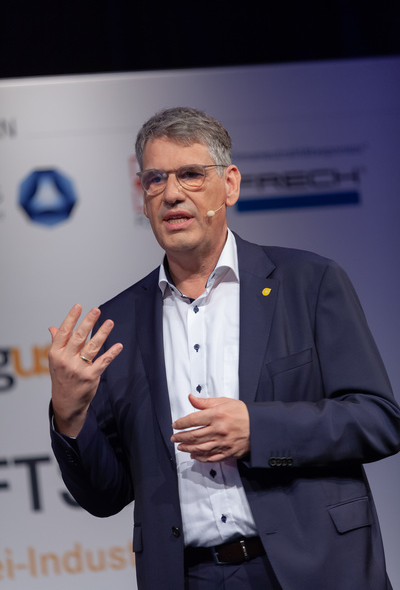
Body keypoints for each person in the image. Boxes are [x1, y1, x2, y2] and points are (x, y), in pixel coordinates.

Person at [49, 107, 400, 590]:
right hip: (190, 577)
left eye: (191, 174)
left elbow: (378, 420)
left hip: (315, 567)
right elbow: (105, 496)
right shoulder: (118, 323)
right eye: (155, 180)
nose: (172, 193)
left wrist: (259, 430)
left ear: (229, 184)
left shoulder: (308, 282)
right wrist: (69, 416)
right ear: (143, 198)